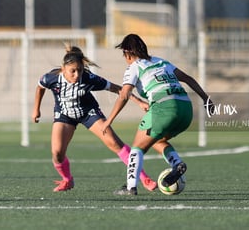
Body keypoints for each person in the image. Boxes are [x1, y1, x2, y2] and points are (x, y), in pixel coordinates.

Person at [32, 45, 157, 192]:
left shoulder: (88, 78)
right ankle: (67, 180)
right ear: (63, 68)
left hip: (88, 113)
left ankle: (144, 178)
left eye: (79, 70)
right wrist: (36, 109)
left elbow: (118, 89)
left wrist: (140, 102)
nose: (77, 74)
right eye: (73, 71)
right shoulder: (51, 78)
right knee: (57, 154)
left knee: (114, 143)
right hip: (64, 115)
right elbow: (40, 87)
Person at [102, 34, 214, 195]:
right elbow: (188, 79)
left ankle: (130, 187)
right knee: (156, 140)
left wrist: (109, 120)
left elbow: (124, 94)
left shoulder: (134, 66)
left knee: (137, 147)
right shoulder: (161, 62)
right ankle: (177, 164)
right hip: (186, 110)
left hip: (164, 108)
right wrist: (206, 99)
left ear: (127, 53)